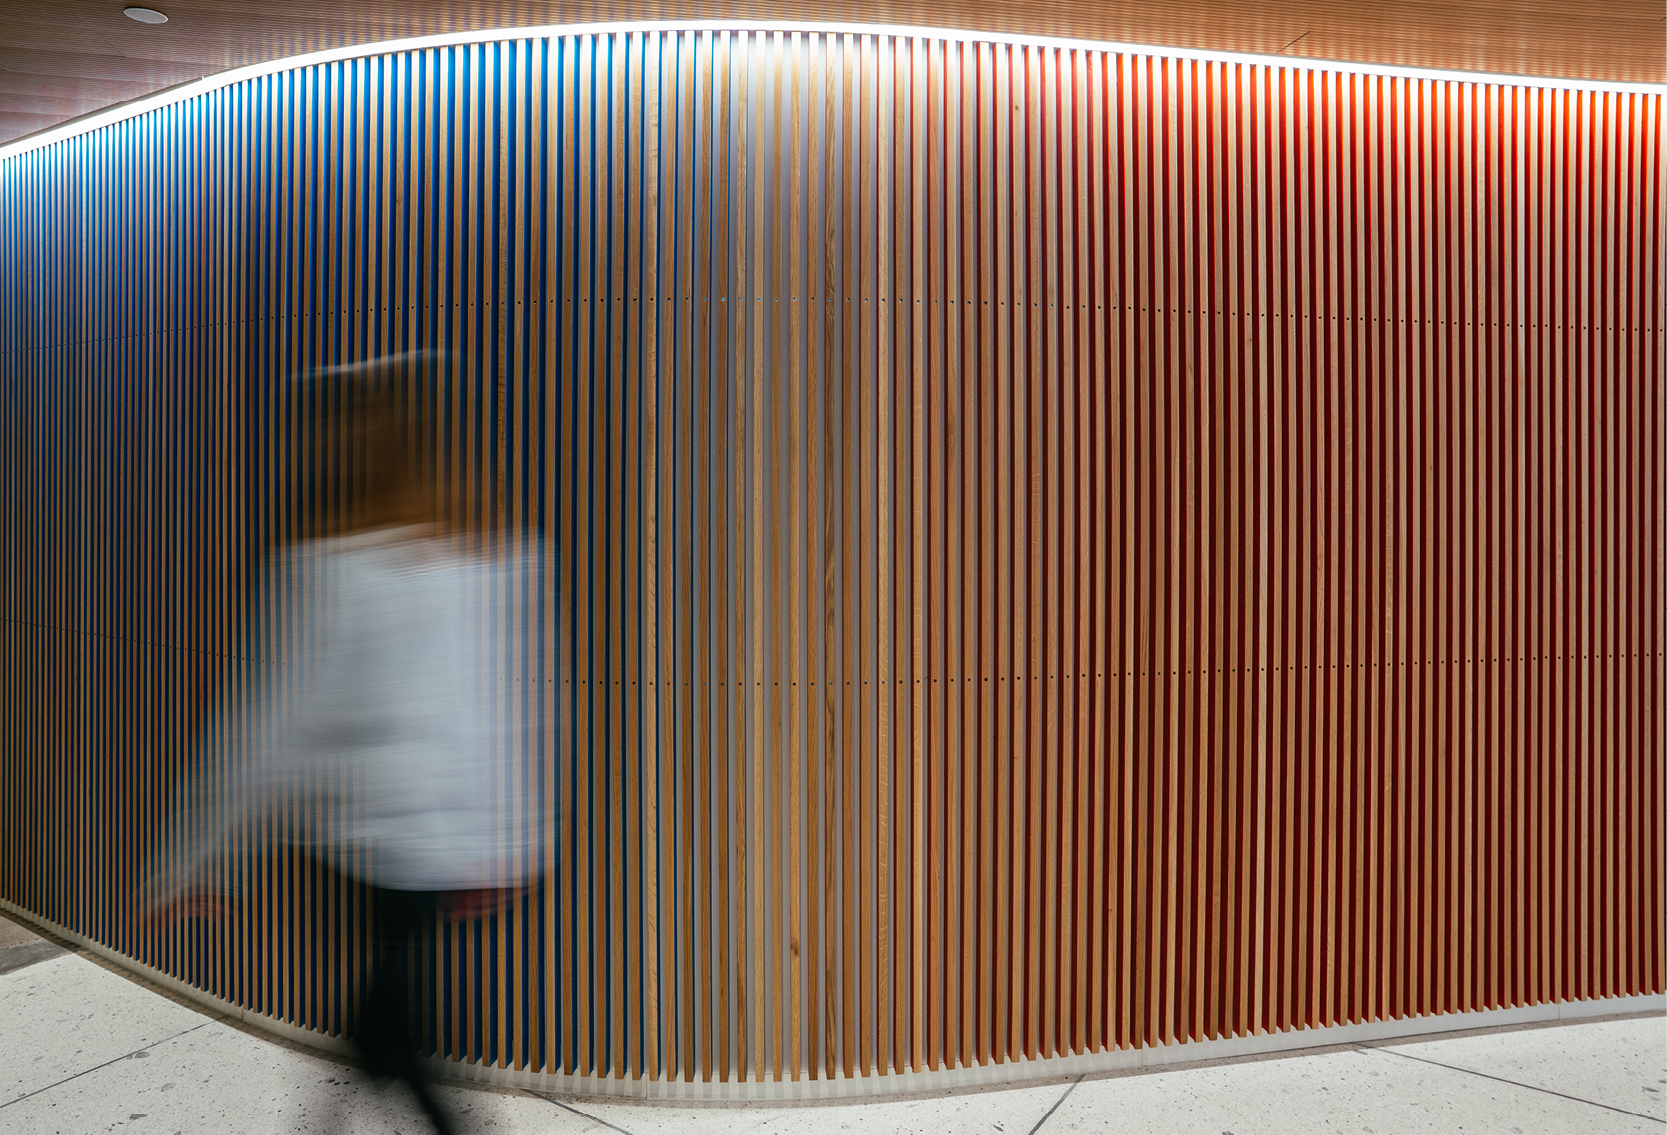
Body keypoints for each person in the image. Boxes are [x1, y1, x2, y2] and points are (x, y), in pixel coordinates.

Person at [144, 355, 547, 1134]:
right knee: (384, 1005)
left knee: (386, 1011)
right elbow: (517, 708)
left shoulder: (328, 565)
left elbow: (265, 725)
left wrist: (199, 855)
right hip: (444, 840)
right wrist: (512, 838)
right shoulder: (495, 549)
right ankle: (329, 1117)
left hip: (358, 837)